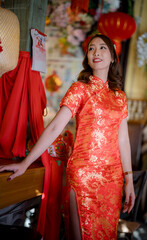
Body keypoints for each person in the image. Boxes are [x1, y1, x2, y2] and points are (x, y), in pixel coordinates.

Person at [0, 34, 135, 240]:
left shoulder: (120, 97)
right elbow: (54, 128)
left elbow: (123, 140)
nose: (96, 52)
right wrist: (25, 163)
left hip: (112, 180)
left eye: (102, 48)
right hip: (83, 175)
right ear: (87, 57)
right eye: (91, 48)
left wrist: (129, 181)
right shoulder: (80, 89)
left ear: (113, 57)